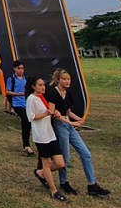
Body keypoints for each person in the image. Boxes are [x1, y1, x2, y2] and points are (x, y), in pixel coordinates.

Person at [46, 69, 111, 197]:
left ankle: (92, 185)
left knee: (86, 153)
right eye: (64, 79)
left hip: (69, 125)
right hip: (60, 126)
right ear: (58, 79)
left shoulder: (68, 93)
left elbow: (68, 112)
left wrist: (79, 119)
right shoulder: (53, 93)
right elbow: (53, 114)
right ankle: (63, 182)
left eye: (69, 79)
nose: (67, 81)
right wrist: (71, 123)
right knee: (65, 157)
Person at [26, 77, 68, 202]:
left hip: (50, 134)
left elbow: (49, 111)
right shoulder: (31, 99)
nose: (42, 87)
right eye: (39, 85)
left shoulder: (42, 97)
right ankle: (53, 190)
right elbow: (31, 117)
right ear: (33, 86)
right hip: (41, 136)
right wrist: (46, 114)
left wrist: (55, 113)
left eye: (43, 85)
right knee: (47, 163)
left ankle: (41, 173)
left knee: (60, 163)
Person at [7, 61, 34, 155]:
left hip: (26, 103)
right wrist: (17, 94)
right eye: (19, 68)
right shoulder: (11, 79)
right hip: (17, 103)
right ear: (14, 69)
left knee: (28, 122)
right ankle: (26, 145)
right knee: (26, 119)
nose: (21, 70)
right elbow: (8, 91)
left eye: (22, 68)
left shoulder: (25, 79)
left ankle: (26, 144)